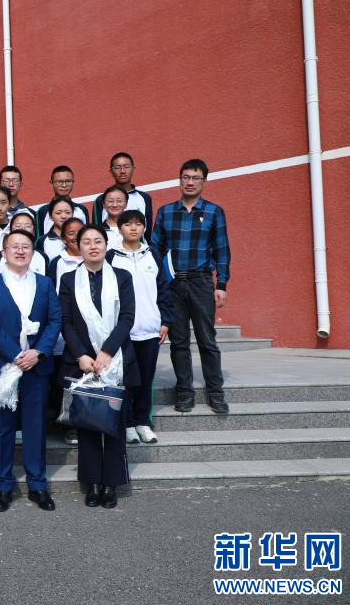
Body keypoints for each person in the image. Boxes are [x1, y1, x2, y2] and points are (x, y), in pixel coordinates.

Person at [0, 230, 61, 512]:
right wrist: (16, 355)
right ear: (4, 253)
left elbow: (55, 320)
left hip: (36, 367)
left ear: (33, 253)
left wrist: (38, 353)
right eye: (14, 246)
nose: (21, 251)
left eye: (26, 246)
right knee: (1, 428)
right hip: (3, 366)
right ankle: (3, 485)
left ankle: (37, 484)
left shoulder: (45, 283)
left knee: (35, 427)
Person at [58, 224, 137, 509]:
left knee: (114, 423)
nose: (93, 246)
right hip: (82, 361)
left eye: (98, 241)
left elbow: (127, 317)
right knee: (88, 423)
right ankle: (91, 482)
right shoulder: (68, 279)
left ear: (106, 245)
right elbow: (65, 321)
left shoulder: (122, 277)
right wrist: (81, 354)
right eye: (87, 242)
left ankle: (111, 483)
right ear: (78, 247)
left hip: (116, 359)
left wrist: (106, 352)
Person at [150, 158, 231, 414]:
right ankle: (184, 392)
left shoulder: (214, 212)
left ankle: (215, 392)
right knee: (179, 341)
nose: (190, 182)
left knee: (207, 339)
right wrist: (158, 283)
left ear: (204, 181)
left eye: (196, 178)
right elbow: (155, 249)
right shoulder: (165, 212)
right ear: (180, 180)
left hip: (201, 282)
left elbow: (222, 250)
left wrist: (222, 284)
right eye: (186, 177)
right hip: (173, 284)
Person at [109, 210, 173, 444]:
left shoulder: (153, 255)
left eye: (138, 224)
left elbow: (164, 290)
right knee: (125, 380)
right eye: (128, 224)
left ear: (144, 228)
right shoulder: (111, 256)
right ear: (120, 229)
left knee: (146, 379)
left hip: (149, 329)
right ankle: (127, 424)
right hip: (122, 332)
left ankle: (142, 422)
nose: (133, 228)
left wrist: (165, 321)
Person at [47, 217, 86, 446]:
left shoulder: (97, 259)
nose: (76, 237)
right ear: (63, 238)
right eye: (71, 233)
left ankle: (88, 421)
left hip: (91, 333)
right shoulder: (57, 263)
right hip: (65, 331)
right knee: (65, 380)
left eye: (80, 232)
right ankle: (67, 425)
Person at [92, 152, 154, 242]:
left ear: (133, 169)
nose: (122, 171)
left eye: (126, 167)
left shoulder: (144, 198)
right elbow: (95, 231)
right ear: (111, 172)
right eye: (117, 167)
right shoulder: (101, 200)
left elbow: (147, 231)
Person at [0, 211, 49, 278]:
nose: (23, 229)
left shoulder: (42, 257)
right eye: (18, 226)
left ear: (34, 231)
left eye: (27, 226)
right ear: (10, 230)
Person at [34, 166, 89, 234]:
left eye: (68, 181)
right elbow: (39, 238)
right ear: (51, 184)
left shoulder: (82, 210)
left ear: (73, 183)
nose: (64, 185)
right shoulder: (43, 211)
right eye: (60, 182)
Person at [100, 185, 129, 250]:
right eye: (110, 201)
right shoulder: (98, 231)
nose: (115, 205)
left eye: (119, 201)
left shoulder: (134, 229)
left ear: (126, 204)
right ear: (104, 204)